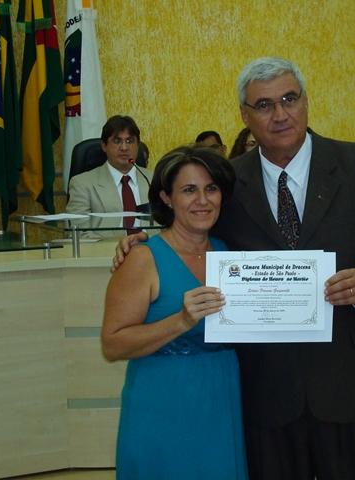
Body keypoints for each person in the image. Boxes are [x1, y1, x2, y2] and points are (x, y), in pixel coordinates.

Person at [114, 57, 355, 479]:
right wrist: (141, 242)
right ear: (245, 116)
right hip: (265, 396)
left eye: (289, 99)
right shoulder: (226, 183)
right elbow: (192, 231)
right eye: (263, 105)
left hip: (348, 387)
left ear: (306, 102)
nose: (280, 114)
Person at [102, 146, 248, 480]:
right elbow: (112, 344)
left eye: (211, 188)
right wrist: (181, 321)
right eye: (189, 190)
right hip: (162, 402)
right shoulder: (143, 258)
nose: (203, 200)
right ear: (166, 198)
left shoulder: (230, 252)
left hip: (223, 398)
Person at [66, 115, 153, 215]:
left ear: (138, 145)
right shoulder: (82, 184)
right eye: (117, 141)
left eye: (129, 141)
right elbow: (77, 224)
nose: (124, 148)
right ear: (104, 146)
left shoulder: (154, 180)